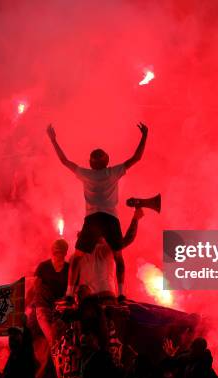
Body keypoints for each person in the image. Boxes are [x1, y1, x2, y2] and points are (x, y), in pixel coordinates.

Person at [47, 122, 148, 301]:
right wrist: (144, 136)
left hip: (92, 219)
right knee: (118, 256)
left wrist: (53, 140)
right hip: (110, 219)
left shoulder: (86, 174)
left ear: (90, 164)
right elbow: (137, 158)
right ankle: (122, 293)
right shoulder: (113, 172)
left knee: (77, 257)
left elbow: (64, 161)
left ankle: (69, 293)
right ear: (107, 161)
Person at [71, 208, 144, 299]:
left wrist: (71, 294)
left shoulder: (79, 253)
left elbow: (73, 275)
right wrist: (135, 219)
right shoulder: (109, 247)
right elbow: (128, 238)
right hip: (104, 294)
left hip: (90, 297)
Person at [34, 238, 70, 345]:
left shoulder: (69, 268)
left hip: (61, 310)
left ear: (65, 252)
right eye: (56, 251)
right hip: (44, 308)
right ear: (52, 251)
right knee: (54, 341)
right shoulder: (43, 267)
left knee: (61, 341)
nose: (58, 254)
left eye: (60, 251)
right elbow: (36, 286)